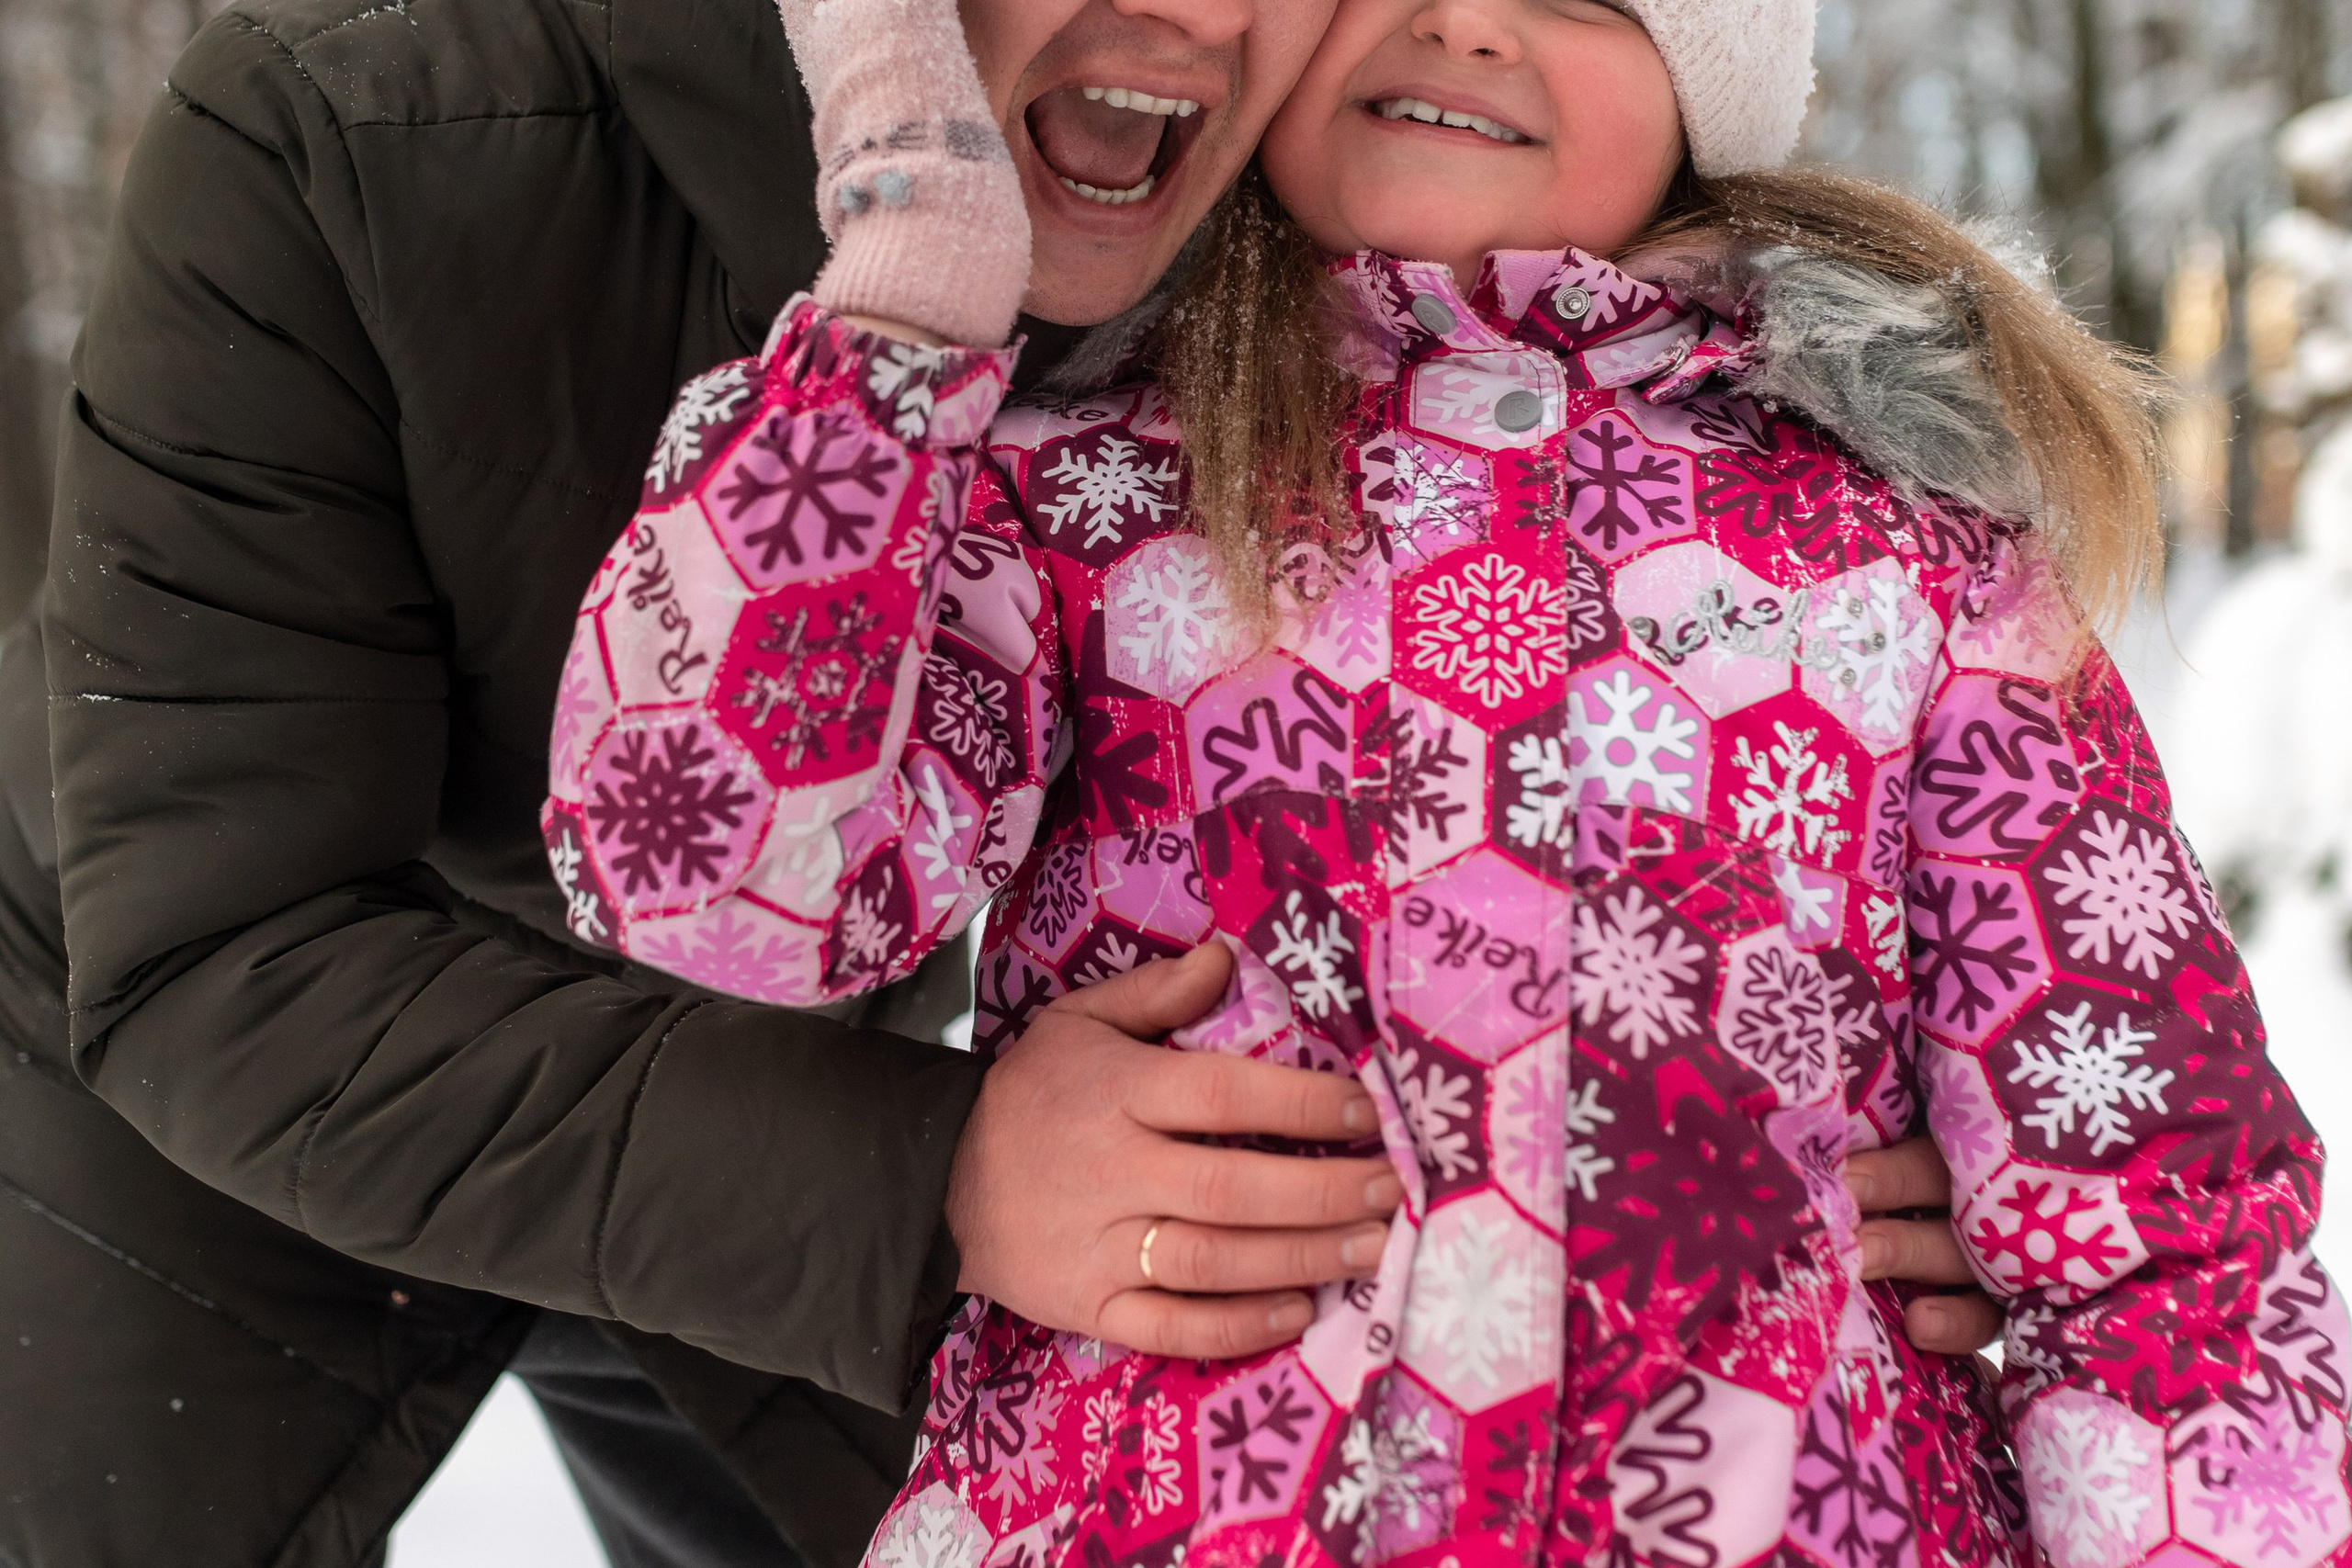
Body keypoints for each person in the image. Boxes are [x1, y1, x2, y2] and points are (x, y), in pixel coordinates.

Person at [7, 0, 1997, 1563]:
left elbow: (1519, 640)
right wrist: (935, 1175)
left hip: (833, 1048)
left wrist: (1756, 1129)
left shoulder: (1274, 205)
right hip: (244, 1061)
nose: (1194, 12)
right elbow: (215, 946)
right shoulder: (342, 141)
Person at [551, 0, 2352, 1562]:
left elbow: (2157, 1226)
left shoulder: (1907, 569)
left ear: (1708, 96)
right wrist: (900, 317)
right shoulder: (1077, 508)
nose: (1465, 23)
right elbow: (712, 871)